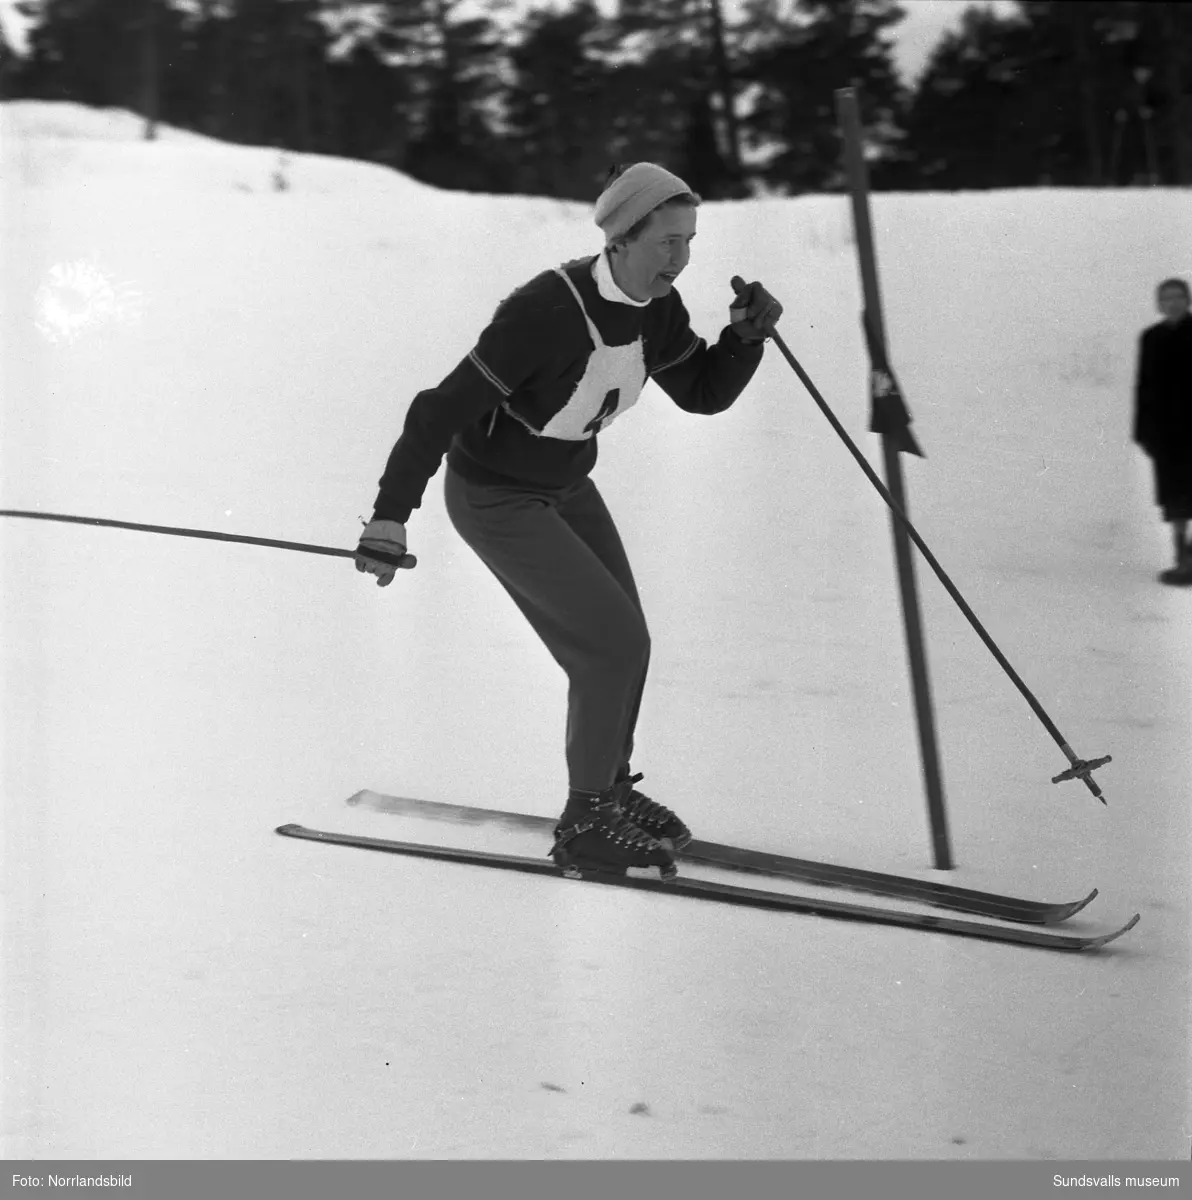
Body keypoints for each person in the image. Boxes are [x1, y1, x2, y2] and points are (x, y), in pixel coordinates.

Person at [354, 161, 783, 879]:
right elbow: (436, 412)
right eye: (665, 243)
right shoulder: (544, 313)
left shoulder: (658, 308)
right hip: (495, 497)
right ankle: (586, 822)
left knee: (628, 643)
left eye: (689, 241)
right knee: (609, 646)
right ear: (619, 239)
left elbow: (703, 393)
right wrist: (390, 520)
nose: (681, 260)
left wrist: (743, 340)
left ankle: (609, 792)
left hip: (564, 485)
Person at [1133, 277, 1192, 583]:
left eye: (1178, 297)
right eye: (1166, 298)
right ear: (1159, 303)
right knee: (1175, 500)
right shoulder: (1151, 338)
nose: (1172, 303)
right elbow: (1143, 387)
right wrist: (1142, 432)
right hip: (1167, 436)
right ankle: (1183, 561)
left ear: (1188, 300)